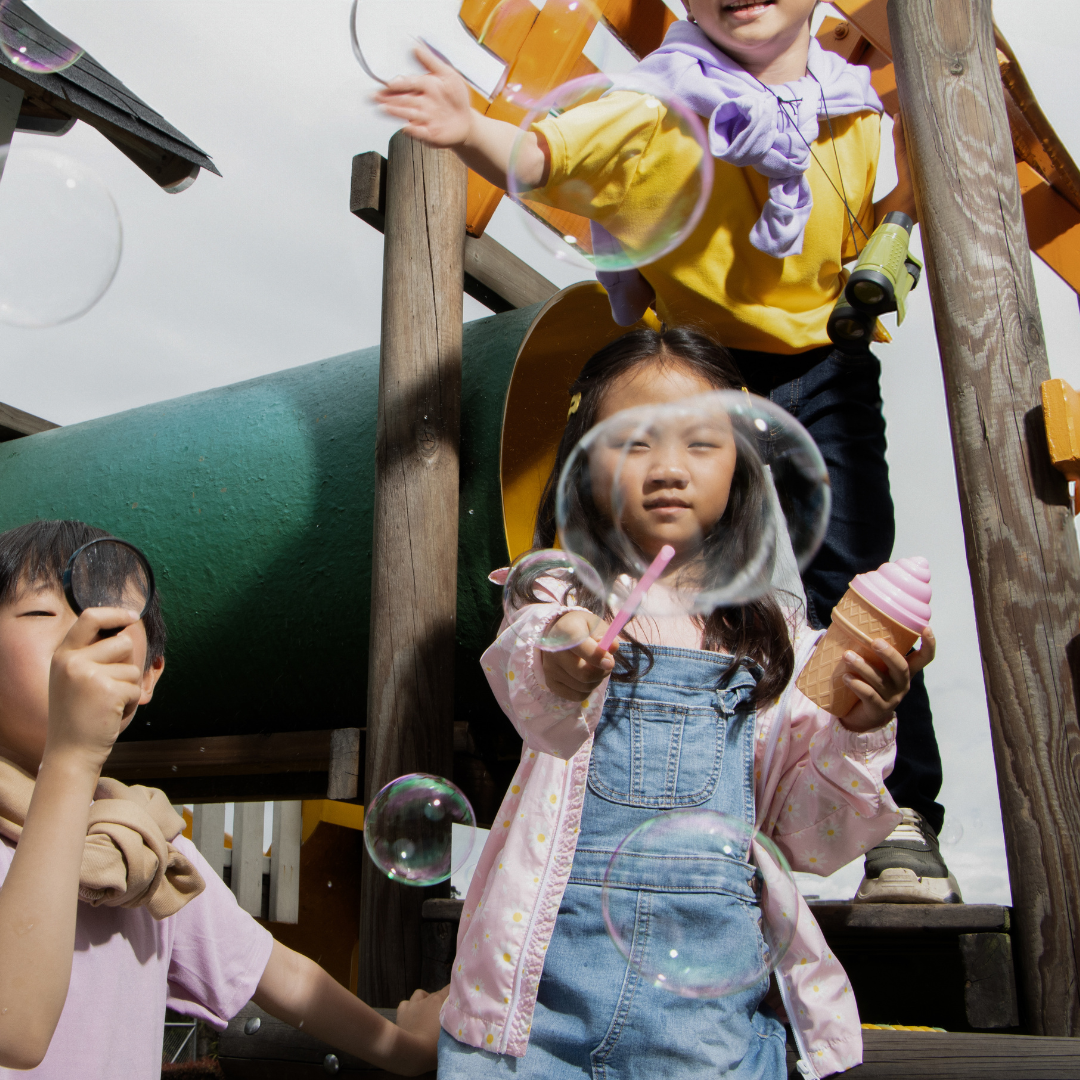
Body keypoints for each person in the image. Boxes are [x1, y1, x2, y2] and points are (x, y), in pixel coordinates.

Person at [375, 0, 957, 904]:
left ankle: (901, 815)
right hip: (694, 371)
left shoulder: (853, 102)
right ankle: (597, 789)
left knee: (852, 578)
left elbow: (905, 193)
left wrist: (895, 229)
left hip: (823, 365)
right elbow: (545, 154)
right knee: (606, 565)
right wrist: (469, 129)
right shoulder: (658, 103)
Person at [437, 327, 935, 1079]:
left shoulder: (781, 641)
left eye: (702, 441)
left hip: (706, 1021)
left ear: (742, 467)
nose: (668, 468)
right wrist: (562, 658)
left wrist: (860, 726)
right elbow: (530, 669)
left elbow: (807, 837)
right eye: (633, 440)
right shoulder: (562, 591)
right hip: (534, 1010)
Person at [0, 520, 446, 1079]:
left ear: (148, 676)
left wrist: (409, 1050)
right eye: (42, 613)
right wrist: (71, 757)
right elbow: (14, 1030)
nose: (80, 634)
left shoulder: (145, 842)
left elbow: (280, 975)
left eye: (109, 620)